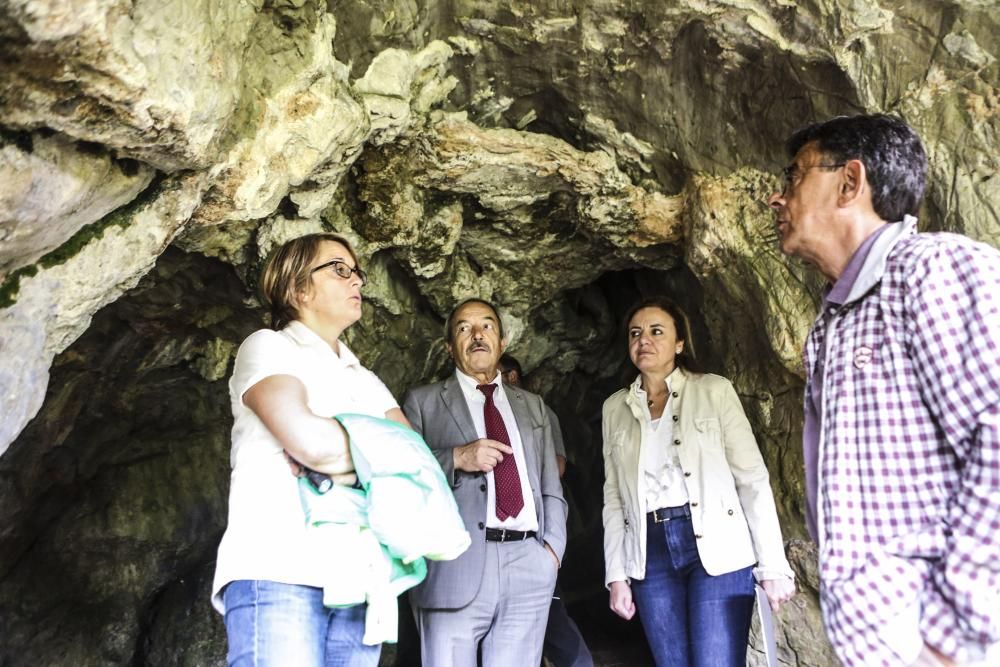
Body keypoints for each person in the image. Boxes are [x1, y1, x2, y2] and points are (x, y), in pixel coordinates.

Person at [768, 114, 1000, 667]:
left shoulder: (933, 269)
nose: (778, 199)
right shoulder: (837, 321)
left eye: (795, 177)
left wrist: (949, 637)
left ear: (850, 183)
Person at [210, 233, 411, 666]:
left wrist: (333, 461)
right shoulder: (268, 347)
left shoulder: (366, 379)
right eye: (340, 269)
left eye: (357, 272)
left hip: (360, 581)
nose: (356, 279)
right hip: (280, 567)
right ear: (298, 288)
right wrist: (365, 458)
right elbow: (309, 441)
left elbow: (414, 464)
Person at [602, 296, 796, 667]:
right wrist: (617, 575)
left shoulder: (714, 390)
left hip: (717, 545)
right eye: (635, 333)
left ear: (679, 343)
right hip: (649, 552)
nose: (644, 340)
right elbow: (614, 499)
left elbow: (751, 478)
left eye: (656, 331)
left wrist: (773, 564)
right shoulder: (614, 409)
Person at [402, 298, 568, 667]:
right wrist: (456, 458)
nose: (477, 335)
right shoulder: (422, 402)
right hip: (453, 565)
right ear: (449, 346)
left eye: (487, 326)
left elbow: (549, 487)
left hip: (529, 562)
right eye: (464, 328)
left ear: (503, 342)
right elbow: (400, 475)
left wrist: (552, 551)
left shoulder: (533, 406)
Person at [498, 354, 595, 667]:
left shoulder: (538, 409)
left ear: (512, 376)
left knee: (549, 612)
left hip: (535, 532)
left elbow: (558, 466)